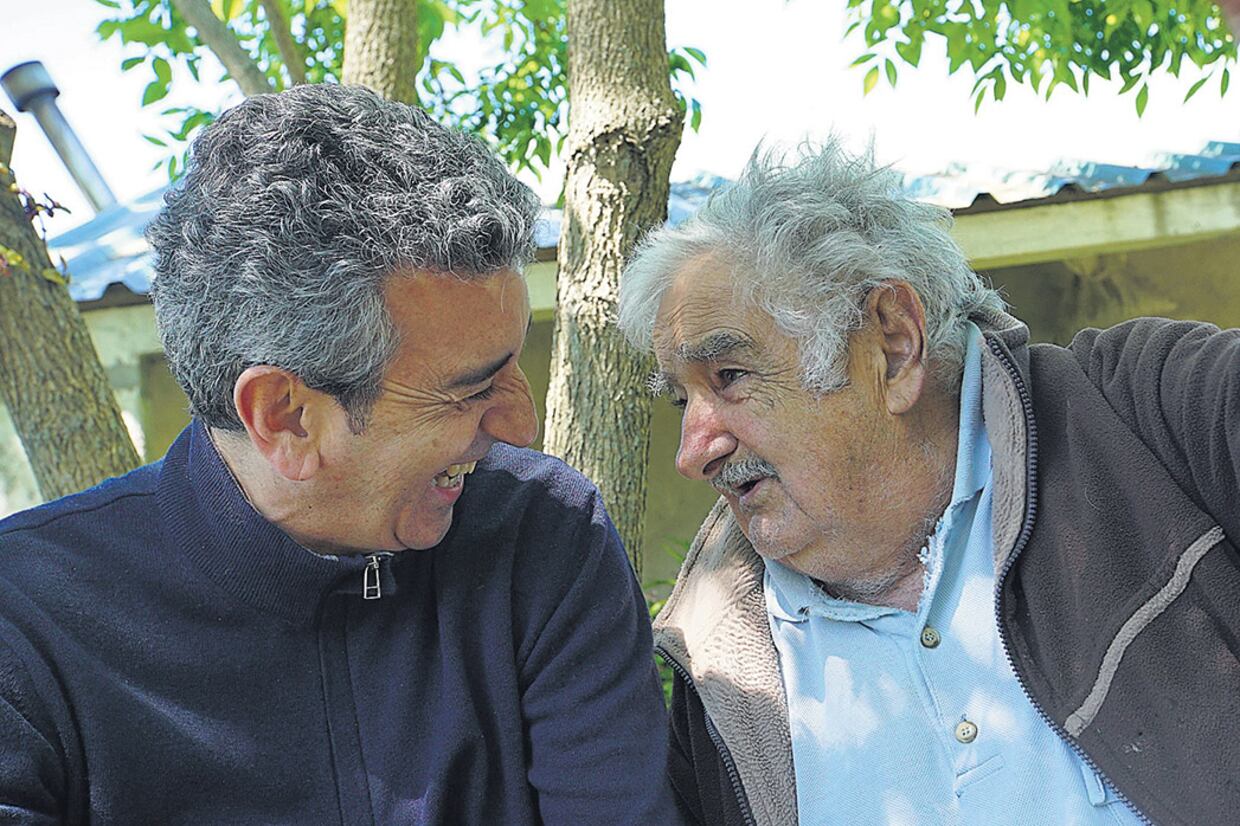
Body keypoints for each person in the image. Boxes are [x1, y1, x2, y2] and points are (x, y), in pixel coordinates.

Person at [0, 84, 678, 825]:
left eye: (513, 363)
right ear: (286, 416)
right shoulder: (27, 618)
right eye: (469, 389)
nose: (521, 423)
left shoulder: (545, 538)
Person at [617, 140, 1240, 826]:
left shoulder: (1157, 412)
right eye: (683, 400)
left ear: (893, 343)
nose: (693, 452)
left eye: (729, 377)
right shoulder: (721, 668)